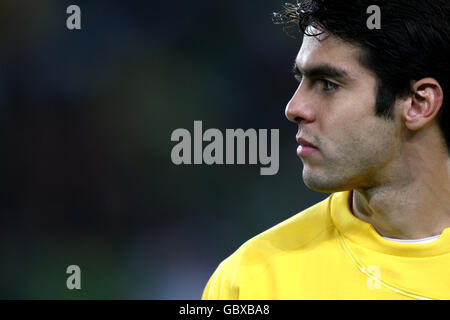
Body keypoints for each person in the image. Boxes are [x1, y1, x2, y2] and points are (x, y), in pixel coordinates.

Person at [202, 0, 450, 300]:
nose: (294, 109)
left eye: (328, 84)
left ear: (418, 103)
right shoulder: (250, 280)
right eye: (301, 80)